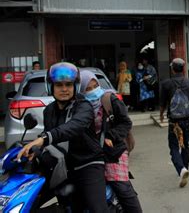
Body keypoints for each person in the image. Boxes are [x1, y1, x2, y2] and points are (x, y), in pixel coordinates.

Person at [17, 62, 107, 212]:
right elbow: (51, 138)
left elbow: (73, 127)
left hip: (88, 164)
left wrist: (44, 138)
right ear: (50, 86)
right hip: (63, 168)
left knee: (98, 209)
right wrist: (34, 149)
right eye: (59, 85)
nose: (64, 89)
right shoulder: (49, 111)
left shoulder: (84, 106)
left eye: (68, 85)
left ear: (75, 86)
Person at [80, 70, 143, 213]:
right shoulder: (81, 106)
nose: (92, 91)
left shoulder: (109, 99)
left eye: (95, 86)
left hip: (115, 151)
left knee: (121, 186)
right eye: (87, 89)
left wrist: (111, 135)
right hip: (93, 155)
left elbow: (126, 123)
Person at [159, 58, 189, 188]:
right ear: (183, 69)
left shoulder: (166, 84)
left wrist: (161, 114)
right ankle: (186, 167)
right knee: (185, 144)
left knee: (173, 146)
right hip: (187, 120)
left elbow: (162, 103)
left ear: (172, 69)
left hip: (174, 121)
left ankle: (181, 169)